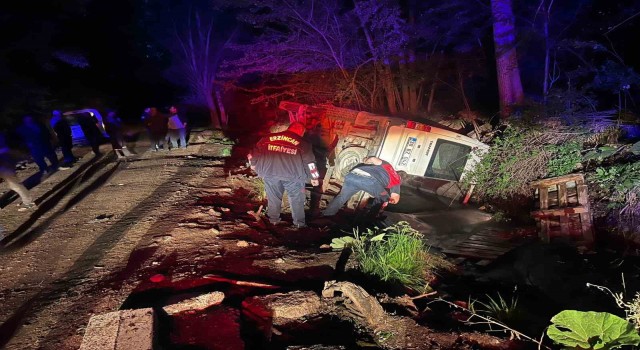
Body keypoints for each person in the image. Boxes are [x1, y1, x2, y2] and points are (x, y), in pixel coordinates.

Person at [250, 122, 320, 228]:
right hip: (293, 177)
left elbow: (255, 153)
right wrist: (314, 177)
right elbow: (310, 163)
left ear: (289, 128)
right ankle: (299, 225)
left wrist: (253, 165)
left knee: (273, 198)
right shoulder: (303, 143)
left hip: (270, 173)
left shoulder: (267, 138)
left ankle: (273, 221)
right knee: (296, 199)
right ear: (301, 132)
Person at [322, 156, 403, 218]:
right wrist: (389, 200)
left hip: (352, 174)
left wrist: (366, 160)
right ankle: (369, 220)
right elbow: (395, 199)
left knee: (342, 197)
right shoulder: (397, 180)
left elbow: (373, 159)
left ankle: (326, 216)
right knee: (383, 197)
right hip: (367, 179)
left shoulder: (389, 166)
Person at [0, 131, 35, 211]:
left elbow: (5, 148)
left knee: (15, 185)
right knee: (14, 184)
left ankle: (29, 202)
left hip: (4, 164)